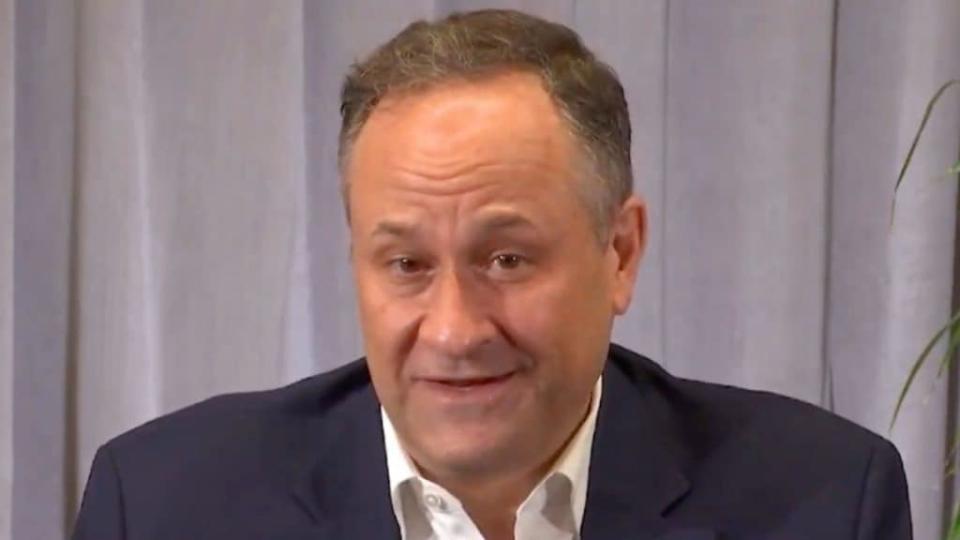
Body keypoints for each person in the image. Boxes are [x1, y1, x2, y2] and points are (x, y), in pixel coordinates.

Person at [72, 9, 912, 540]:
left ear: (619, 253)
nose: (453, 329)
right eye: (406, 264)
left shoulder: (826, 503)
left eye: (507, 259)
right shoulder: (158, 506)